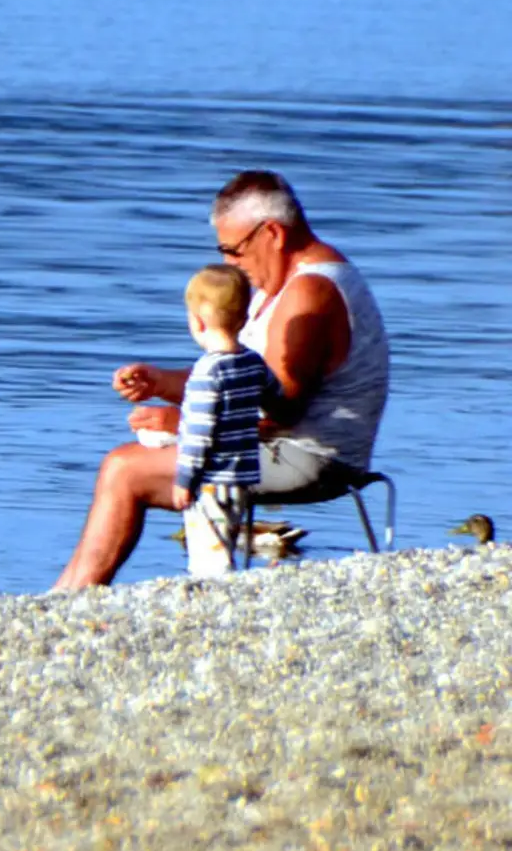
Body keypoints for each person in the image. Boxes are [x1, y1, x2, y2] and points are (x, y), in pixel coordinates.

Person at [52, 170, 389, 590]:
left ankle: (69, 597)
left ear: (272, 233)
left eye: (234, 250)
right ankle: (68, 592)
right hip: (278, 445)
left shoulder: (309, 294)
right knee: (128, 461)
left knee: (124, 469)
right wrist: (160, 383)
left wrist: (184, 426)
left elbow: (283, 410)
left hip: (310, 456)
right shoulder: (284, 283)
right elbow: (236, 378)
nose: (229, 264)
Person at [172, 264, 278, 576]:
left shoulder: (207, 371)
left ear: (197, 322)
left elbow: (199, 435)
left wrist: (183, 480)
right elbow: (275, 395)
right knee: (228, 538)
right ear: (244, 319)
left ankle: (214, 594)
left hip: (211, 479)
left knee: (209, 551)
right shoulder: (252, 363)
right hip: (242, 476)